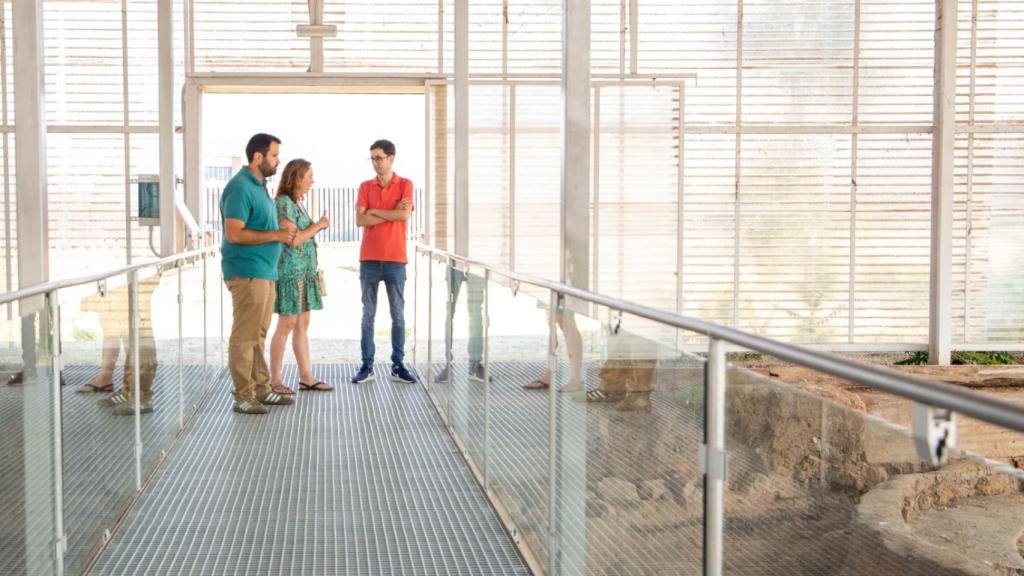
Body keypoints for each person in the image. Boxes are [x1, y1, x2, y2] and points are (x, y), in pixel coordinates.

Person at [220, 133, 296, 414]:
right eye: (274, 156)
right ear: (257, 157)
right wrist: (277, 234)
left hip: (264, 272)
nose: (278, 161)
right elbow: (234, 233)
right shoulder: (240, 188)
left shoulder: (259, 186)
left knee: (258, 335)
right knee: (244, 337)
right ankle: (243, 395)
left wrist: (280, 229)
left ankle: (261, 389)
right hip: (247, 272)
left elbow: (259, 225)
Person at [351, 139, 417, 385]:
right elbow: (360, 220)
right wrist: (391, 213)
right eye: (372, 158)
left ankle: (398, 365)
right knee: (367, 315)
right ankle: (367, 365)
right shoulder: (365, 186)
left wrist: (374, 211)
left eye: (379, 158)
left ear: (391, 158)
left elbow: (404, 214)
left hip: (395, 260)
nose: (375, 163)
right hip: (369, 259)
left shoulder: (405, 184)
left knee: (398, 315)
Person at [268, 159, 333, 394]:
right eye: (309, 176)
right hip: (291, 274)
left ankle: (306, 377)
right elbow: (293, 240)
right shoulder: (284, 203)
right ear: (296, 178)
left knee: (302, 324)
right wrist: (319, 225)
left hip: (305, 273)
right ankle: (275, 380)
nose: (312, 181)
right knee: (287, 324)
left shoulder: (297, 203)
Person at [436, 266, 491, 382]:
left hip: (476, 264)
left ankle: (475, 366)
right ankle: (448, 365)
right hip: (455, 262)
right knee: (450, 310)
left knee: (476, 312)